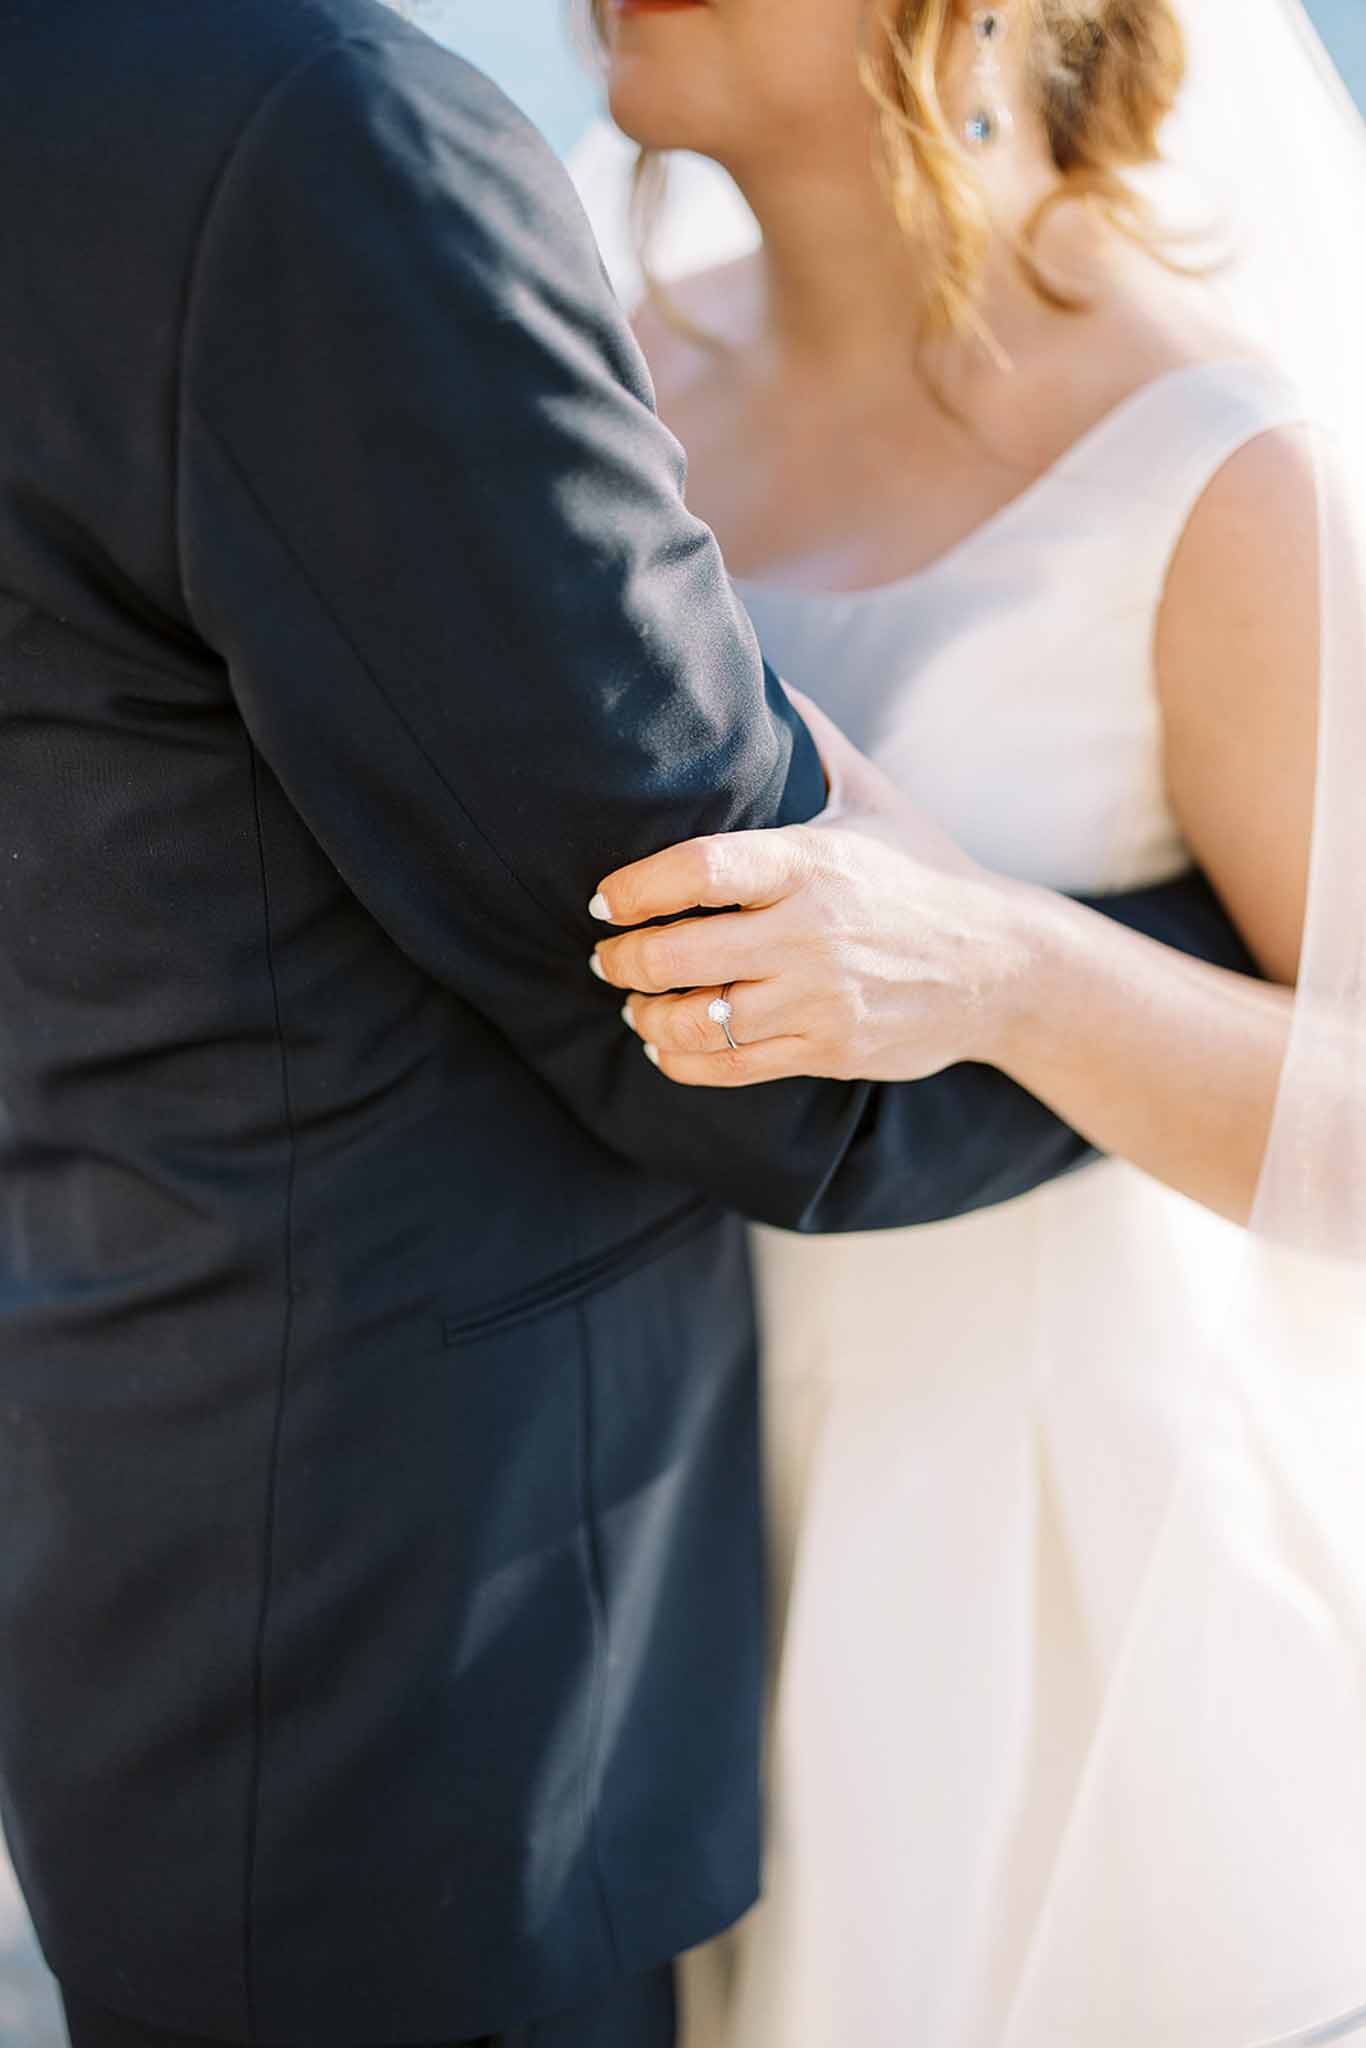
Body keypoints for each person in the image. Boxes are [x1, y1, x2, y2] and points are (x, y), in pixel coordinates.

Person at [0, 2, 1256, 2046]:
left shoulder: (1213, 469)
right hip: (549, 1595)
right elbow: (692, 970)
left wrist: (1021, 965)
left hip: (945, 1554)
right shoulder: (509, 261)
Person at [579, 0, 1366, 2041]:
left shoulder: (1208, 462)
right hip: (637, 1551)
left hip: (1026, 1603)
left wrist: (997, 966)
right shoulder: (596, 367)